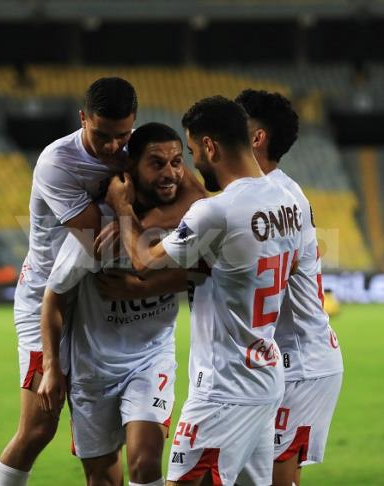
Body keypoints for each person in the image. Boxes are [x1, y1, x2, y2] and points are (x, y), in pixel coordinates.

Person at [0, 79, 203, 486]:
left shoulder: (140, 152)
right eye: (102, 136)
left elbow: (196, 200)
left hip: (99, 302)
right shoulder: (58, 163)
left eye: (122, 136)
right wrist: (132, 216)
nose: (112, 148)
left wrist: (139, 218)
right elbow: (102, 245)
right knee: (39, 426)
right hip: (49, 296)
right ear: (82, 119)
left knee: (141, 459)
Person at [105, 96, 304, 486]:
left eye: (192, 151)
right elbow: (289, 265)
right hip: (265, 380)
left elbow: (144, 260)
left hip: (221, 390)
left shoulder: (216, 213)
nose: (192, 165)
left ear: (210, 146)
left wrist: (122, 207)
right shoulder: (288, 201)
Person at [40, 122, 198, 486]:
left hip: (149, 360)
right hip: (92, 370)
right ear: (131, 170)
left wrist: (137, 288)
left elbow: (204, 275)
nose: (171, 173)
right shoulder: (96, 230)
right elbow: (54, 299)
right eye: (156, 164)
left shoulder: (186, 227)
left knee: (144, 464)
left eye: (177, 162)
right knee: (103, 477)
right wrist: (51, 367)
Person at [235, 89, 343, 486]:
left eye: (235, 124)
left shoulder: (275, 198)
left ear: (257, 138)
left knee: (276, 479)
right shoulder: (273, 191)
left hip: (301, 363)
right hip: (289, 360)